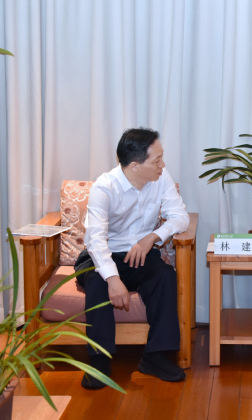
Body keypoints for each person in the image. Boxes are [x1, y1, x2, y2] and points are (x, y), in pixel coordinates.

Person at [74, 127, 190, 389]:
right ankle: (99, 361)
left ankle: (155, 356)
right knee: (98, 283)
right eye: (157, 160)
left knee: (164, 277)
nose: (163, 165)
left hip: (140, 254)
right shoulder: (105, 187)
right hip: (102, 255)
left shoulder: (161, 177)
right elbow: (95, 240)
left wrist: (152, 237)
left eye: (162, 158)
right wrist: (113, 279)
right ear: (135, 165)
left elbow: (180, 216)